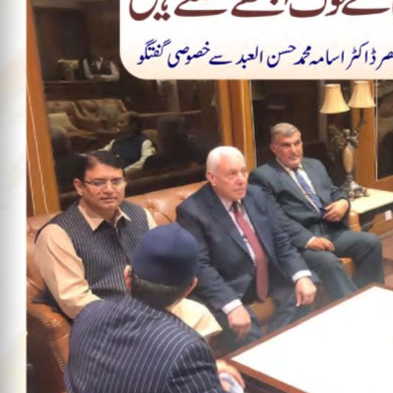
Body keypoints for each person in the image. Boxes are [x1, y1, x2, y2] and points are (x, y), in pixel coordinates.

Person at [33, 150, 219, 337]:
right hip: (105, 321)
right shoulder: (57, 233)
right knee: (173, 338)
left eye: (116, 181)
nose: (109, 189)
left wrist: (166, 301)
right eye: (98, 182)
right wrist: (135, 317)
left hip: (154, 307)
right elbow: (76, 302)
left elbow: (162, 271)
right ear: (79, 186)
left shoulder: (140, 215)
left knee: (201, 316)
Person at [65, 224, 244, 393]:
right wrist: (225, 381)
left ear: (127, 277)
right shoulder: (186, 350)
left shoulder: (87, 314)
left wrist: (202, 373)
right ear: (189, 288)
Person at [176, 146, 317, 351]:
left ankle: (276, 351)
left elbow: (280, 240)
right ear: (212, 177)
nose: (241, 180)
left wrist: (301, 275)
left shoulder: (255, 195)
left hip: (267, 275)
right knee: (247, 331)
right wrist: (232, 305)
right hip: (229, 284)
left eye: (244, 171)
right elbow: (201, 266)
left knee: (304, 294)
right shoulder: (192, 211)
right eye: (232, 174)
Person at [249, 123, 384, 301]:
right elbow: (276, 219)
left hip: (331, 231)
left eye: (297, 143)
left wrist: (343, 202)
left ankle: (371, 296)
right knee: (329, 263)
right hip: (301, 242)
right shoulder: (263, 176)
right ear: (274, 148)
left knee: (371, 242)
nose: (294, 150)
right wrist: (309, 239)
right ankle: (354, 306)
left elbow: (334, 190)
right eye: (286, 145)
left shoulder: (314, 165)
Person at [101, 111, 156, 175]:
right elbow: (102, 152)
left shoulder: (145, 142)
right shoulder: (116, 141)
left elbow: (146, 161)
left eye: (122, 122)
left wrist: (124, 171)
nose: (118, 125)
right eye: (118, 122)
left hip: (129, 176)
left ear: (133, 125)